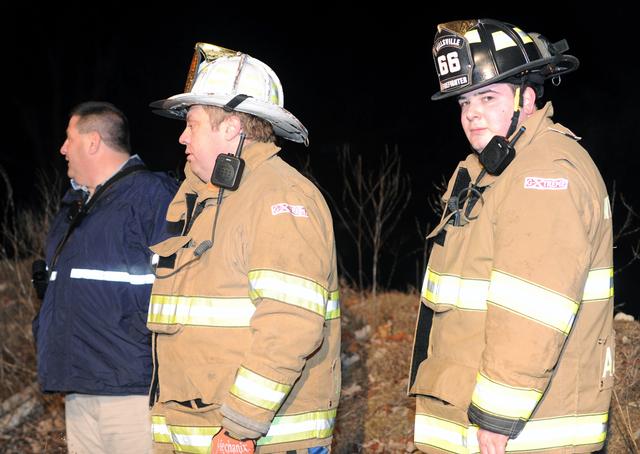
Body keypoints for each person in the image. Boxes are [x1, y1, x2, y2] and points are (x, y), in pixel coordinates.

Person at [408, 19, 614, 453]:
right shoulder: (487, 168)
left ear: (528, 97)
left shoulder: (544, 172)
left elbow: (534, 305)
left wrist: (496, 417)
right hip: (479, 419)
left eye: (487, 96)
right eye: (464, 101)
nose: (472, 113)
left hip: (521, 435)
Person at [146, 42, 340, 454]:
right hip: (198, 433)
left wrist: (239, 428)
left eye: (193, 123)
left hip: (259, 439)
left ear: (231, 127)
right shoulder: (202, 196)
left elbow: (290, 326)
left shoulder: (280, 197)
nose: (182, 137)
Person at [32, 101, 177, 453]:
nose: (62, 149)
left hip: (131, 394)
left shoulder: (152, 197)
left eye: (69, 139)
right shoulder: (75, 207)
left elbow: (175, 291)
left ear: (93, 141)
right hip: (79, 389)